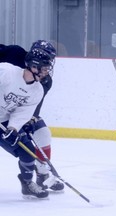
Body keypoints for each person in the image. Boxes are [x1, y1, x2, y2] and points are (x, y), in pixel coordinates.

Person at [0, 41, 64, 192]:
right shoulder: (13, 55)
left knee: (42, 133)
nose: (48, 69)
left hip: (12, 113)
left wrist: (22, 124)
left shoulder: (43, 83)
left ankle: (42, 175)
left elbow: (30, 107)